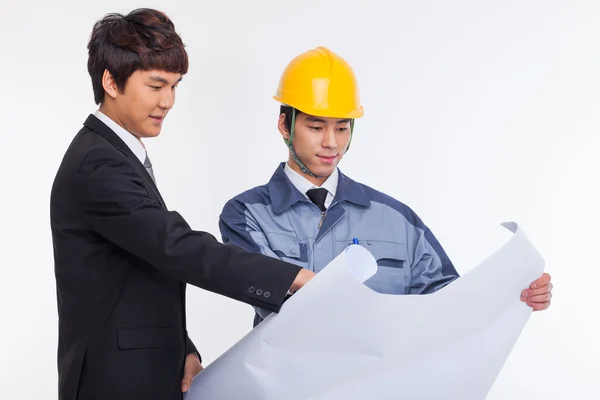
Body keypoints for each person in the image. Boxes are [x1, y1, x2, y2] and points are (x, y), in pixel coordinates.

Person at [50, 9, 314, 400]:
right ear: (111, 81)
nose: (169, 101)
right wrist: (293, 278)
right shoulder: (97, 164)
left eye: (175, 86)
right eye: (156, 85)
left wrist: (183, 349)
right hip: (115, 384)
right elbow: (176, 247)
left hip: (144, 375)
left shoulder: (115, 154)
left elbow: (141, 269)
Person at [218, 46, 553, 328]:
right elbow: (276, 302)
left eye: (343, 128)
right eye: (316, 126)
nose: (331, 143)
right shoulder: (246, 214)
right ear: (284, 125)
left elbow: (449, 306)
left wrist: (513, 294)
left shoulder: (396, 218)